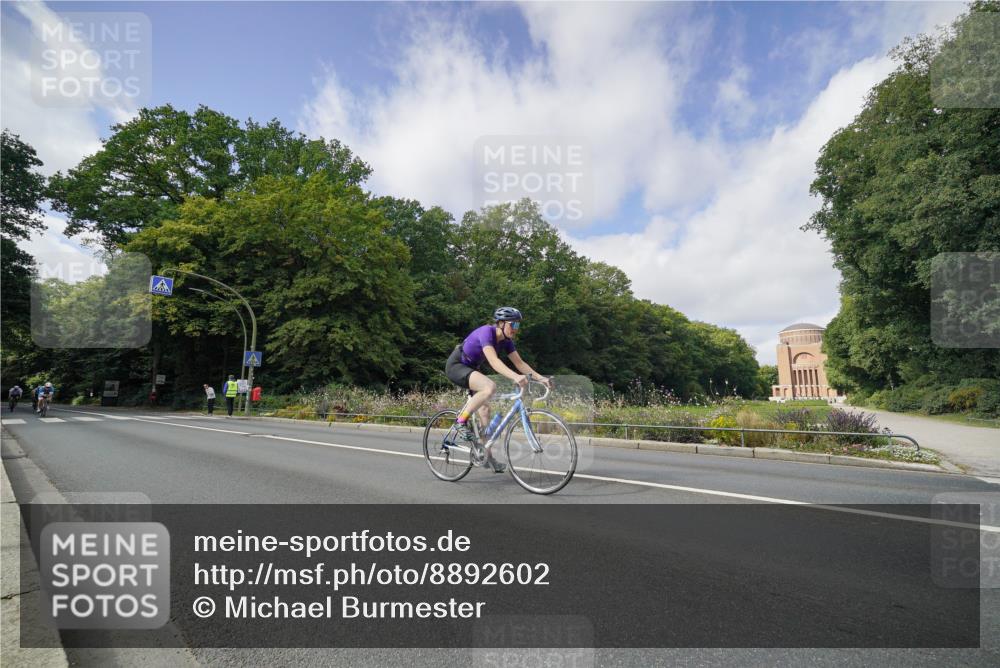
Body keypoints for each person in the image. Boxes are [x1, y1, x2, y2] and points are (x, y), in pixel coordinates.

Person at [444, 307, 551, 473]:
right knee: (489, 387)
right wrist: (515, 377)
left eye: (518, 325)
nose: (516, 329)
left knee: (485, 411)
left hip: (472, 368)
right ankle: (460, 421)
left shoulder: (506, 341)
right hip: (457, 365)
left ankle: (485, 455)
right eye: (513, 325)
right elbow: (494, 362)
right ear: (501, 323)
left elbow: (520, 363)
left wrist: (540, 378)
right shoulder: (486, 332)